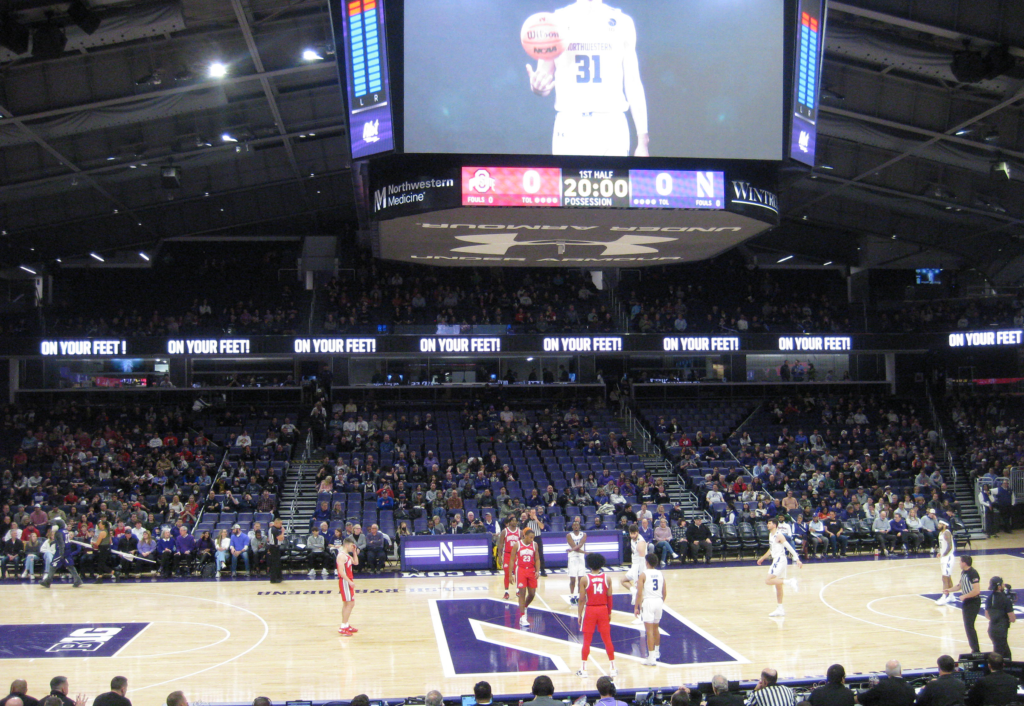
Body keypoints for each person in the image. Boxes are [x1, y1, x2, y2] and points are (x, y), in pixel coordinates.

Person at [525, 0, 650, 157]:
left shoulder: (622, 22)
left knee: (614, 180)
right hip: (570, 121)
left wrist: (642, 140)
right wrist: (538, 87)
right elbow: (543, 78)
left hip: (612, 121)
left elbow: (633, 82)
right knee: (570, 180)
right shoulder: (556, 22)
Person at [577, 552, 616, 678]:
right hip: (603, 609)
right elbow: (610, 598)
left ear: (589, 564)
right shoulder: (607, 578)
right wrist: (609, 612)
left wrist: (579, 614)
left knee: (587, 641)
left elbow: (582, 599)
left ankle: (583, 669)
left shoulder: (584, 579)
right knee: (607, 640)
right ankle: (613, 667)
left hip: (590, 610)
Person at [756, 517, 801, 617]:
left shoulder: (779, 535)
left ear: (774, 525)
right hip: (777, 559)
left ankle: (790, 582)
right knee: (778, 586)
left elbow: (789, 546)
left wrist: (797, 558)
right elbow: (771, 549)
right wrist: (762, 558)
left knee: (768, 580)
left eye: (769, 523)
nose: (768, 524)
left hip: (780, 559)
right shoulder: (770, 535)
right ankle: (780, 608)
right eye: (768, 523)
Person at [634, 553, 665, 666]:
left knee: (649, 631)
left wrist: (636, 607)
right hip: (659, 601)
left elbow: (639, 593)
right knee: (656, 628)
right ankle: (656, 652)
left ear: (646, 562)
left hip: (648, 602)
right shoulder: (660, 574)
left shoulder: (643, 575)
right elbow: (664, 592)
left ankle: (651, 658)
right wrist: (660, 602)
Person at [945, 555, 982, 651]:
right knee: (968, 626)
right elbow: (959, 585)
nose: (959, 563)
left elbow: (977, 590)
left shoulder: (973, 573)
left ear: (964, 563)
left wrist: (964, 596)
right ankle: (974, 648)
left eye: (960, 561)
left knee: (969, 626)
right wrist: (949, 590)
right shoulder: (963, 572)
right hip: (967, 602)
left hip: (973, 601)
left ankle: (976, 650)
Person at [40, 518, 82, 589]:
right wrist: (54, 542)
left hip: (61, 551)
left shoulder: (58, 532)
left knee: (53, 565)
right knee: (70, 565)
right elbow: (62, 540)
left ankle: (47, 581)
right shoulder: (65, 531)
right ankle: (78, 580)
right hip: (67, 550)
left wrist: (61, 554)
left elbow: (61, 544)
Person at [514, 527, 541, 627]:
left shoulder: (535, 545)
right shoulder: (518, 544)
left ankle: (524, 606)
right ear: (525, 536)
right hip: (521, 570)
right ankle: (522, 617)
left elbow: (537, 559)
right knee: (522, 593)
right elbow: (512, 560)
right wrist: (511, 575)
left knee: (532, 593)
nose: (532, 539)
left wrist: (537, 571)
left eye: (533, 538)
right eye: (530, 537)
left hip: (531, 570)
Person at [620, 523, 647, 623]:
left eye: (634, 533)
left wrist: (640, 575)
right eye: (631, 533)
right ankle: (633, 590)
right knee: (623, 581)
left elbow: (642, 560)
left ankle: (642, 616)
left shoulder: (641, 543)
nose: (632, 535)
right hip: (634, 567)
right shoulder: (632, 539)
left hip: (640, 568)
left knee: (640, 594)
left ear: (638, 532)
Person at [986, 576, 1016, 659]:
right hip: (1001, 632)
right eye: (1002, 584)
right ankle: (995, 671)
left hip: (992, 630)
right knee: (998, 658)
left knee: (1007, 655)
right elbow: (1012, 618)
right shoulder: (1006, 600)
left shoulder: (989, 598)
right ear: (999, 587)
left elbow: (987, 614)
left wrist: (995, 618)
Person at [337, 537, 359, 636]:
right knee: (349, 603)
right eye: (351, 545)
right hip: (345, 581)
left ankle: (345, 624)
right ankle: (343, 626)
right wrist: (349, 581)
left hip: (348, 580)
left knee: (348, 603)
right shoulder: (341, 556)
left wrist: (354, 552)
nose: (352, 547)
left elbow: (356, 563)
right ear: (346, 545)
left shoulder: (347, 555)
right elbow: (341, 572)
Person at [498, 515, 521, 601]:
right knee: (507, 573)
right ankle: (506, 592)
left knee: (517, 573)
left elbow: (522, 545)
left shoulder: (520, 532)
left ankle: (518, 590)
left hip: (516, 555)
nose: (514, 522)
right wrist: (499, 556)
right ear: (509, 522)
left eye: (515, 521)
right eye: (513, 521)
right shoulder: (505, 531)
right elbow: (500, 544)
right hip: (507, 554)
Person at [934, 520, 956, 604]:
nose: (938, 525)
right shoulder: (941, 533)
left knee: (944, 578)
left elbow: (950, 546)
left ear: (944, 525)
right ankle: (951, 596)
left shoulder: (947, 533)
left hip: (948, 558)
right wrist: (940, 552)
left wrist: (944, 554)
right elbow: (943, 546)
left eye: (940, 524)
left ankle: (944, 596)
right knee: (948, 577)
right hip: (944, 558)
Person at [566, 519, 586, 603]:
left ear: (579, 526)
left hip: (581, 558)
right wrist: (586, 552)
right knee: (572, 580)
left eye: (577, 525)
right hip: (573, 558)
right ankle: (572, 595)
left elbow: (580, 545)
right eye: (574, 525)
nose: (576, 526)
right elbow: (574, 546)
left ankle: (578, 596)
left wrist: (572, 549)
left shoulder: (584, 534)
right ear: (572, 527)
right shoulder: (569, 535)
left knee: (581, 579)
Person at [267, 518, 284, 583]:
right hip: (273, 547)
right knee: (274, 563)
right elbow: (280, 538)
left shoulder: (274, 529)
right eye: (280, 523)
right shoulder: (274, 529)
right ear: (276, 523)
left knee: (277, 563)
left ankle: (278, 577)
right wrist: (283, 532)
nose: (281, 525)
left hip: (275, 547)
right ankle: (273, 579)